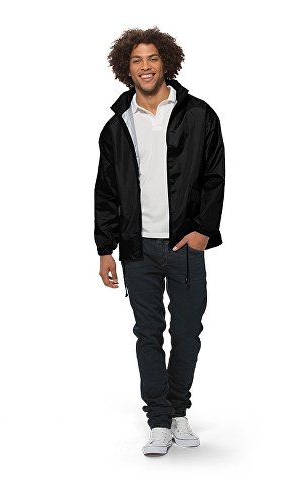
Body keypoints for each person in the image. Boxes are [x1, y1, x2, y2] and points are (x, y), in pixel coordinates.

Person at [94, 27, 225, 456]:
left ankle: (178, 410)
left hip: (184, 244)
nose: (145, 66)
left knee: (187, 331)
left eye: (152, 58)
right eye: (136, 60)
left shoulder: (199, 115)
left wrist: (203, 231)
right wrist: (105, 248)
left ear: (166, 62)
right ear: (126, 68)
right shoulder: (118, 125)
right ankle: (158, 420)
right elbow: (107, 190)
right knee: (148, 334)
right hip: (137, 248)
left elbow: (214, 176)